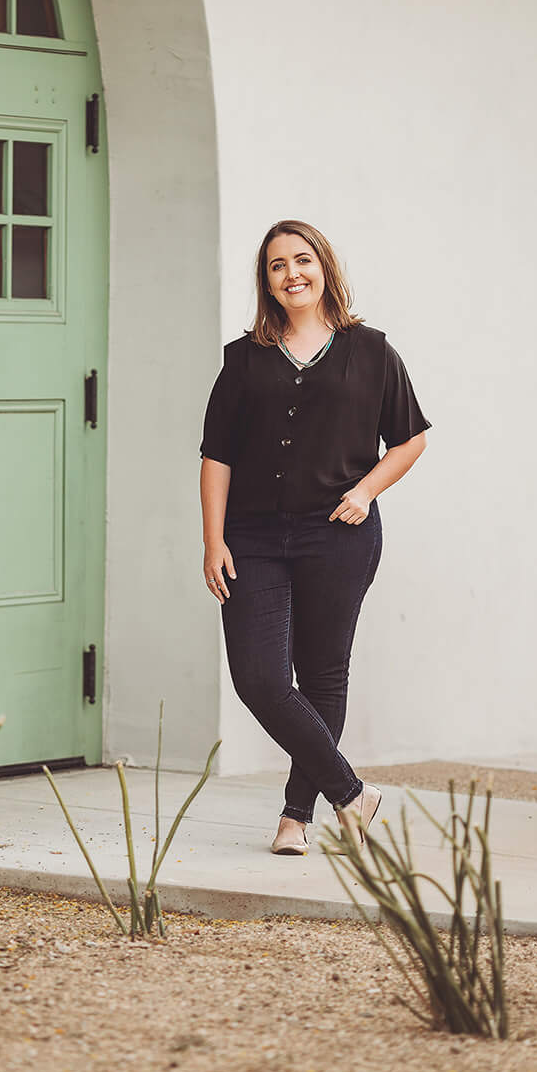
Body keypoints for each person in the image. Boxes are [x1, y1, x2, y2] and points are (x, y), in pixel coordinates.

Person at [199, 221, 430, 857]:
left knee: (323, 674)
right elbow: (215, 455)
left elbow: (410, 437)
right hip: (252, 536)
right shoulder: (243, 359)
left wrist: (366, 491)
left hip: (339, 536)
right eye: (277, 266)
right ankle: (352, 794)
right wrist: (213, 539)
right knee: (259, 678)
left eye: (302, 260)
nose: (291, 273)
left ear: (324, 268)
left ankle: (295, 817)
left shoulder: (372, 350)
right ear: (266, 281)